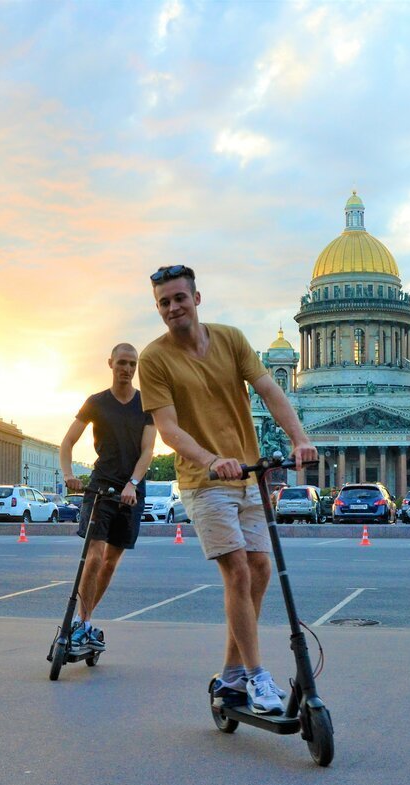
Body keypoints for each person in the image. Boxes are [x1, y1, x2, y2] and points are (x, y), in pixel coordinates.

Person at [138, 264, 317, 715]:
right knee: (237, 571)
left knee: (259, 569)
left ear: (197, 299)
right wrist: (210, 460)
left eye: (180, 298)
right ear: (158, 309)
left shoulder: (232, 339)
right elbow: (168, 429)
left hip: (248, 478)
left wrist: (299, 437)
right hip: (205, 481)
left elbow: (270, 390)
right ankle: (257, 677)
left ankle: (233, 673)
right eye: (164, 302)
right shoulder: (154, 359)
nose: (173, 307)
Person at [59, 343, 156, 653]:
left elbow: (147, 451)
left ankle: (85, 622)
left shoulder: (147, 404)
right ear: (111, 364)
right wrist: (68, 475)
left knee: (111, 562)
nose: (126, 369)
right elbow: (68, 442)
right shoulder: (96, 402)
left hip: (131, 492)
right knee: (95, 556)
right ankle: (83, 624)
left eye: (132, 364)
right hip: (100, 488)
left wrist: (133, 483)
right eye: (122, 363)